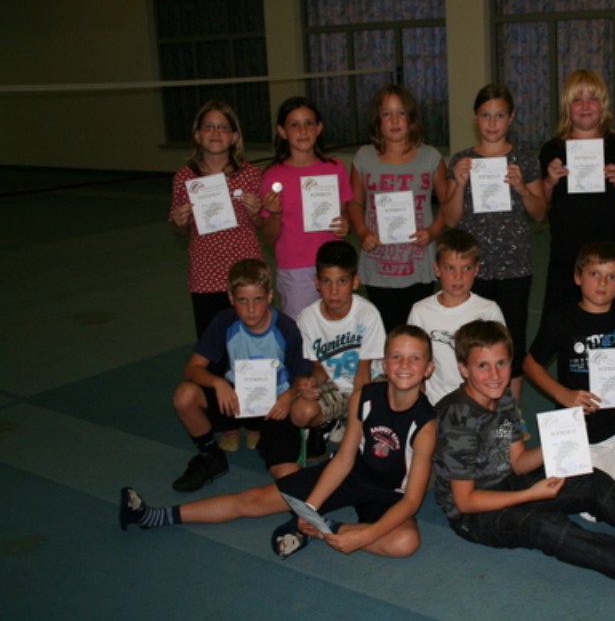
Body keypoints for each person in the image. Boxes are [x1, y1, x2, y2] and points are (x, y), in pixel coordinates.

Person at [432, 320, 615, 601]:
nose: (495, 375)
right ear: (464, 369)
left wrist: (558, 440)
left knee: (590, 480)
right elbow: (465, 502)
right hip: (474, 516)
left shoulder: (503, 397)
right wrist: (530, 494)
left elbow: (518, 461)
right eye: (482, 366)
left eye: (501, 363)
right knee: (544, 525)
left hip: (508, 483)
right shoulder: (458, 419)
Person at [121, 326, 437, 560]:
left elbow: (411, 500)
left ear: (428, 368)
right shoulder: (364, 398)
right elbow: (343, 459)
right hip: (350, 475)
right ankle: (154, 516)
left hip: (389, 494)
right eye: (396, 356)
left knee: (405, 543)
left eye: (415, 358)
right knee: (254, 500)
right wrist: (310, 508)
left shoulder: (425, 423)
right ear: (384, 362)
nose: (404, 365)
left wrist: (363, 536)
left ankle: (323, 529)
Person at [523, 242, 615, 512]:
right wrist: (563, 394)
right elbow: (530, 364)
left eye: (612, 277)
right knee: (595, 507)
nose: (602, 283)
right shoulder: (560, 319)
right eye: (594, 274)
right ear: (578, 277)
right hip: (578, 428)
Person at [168, 100, 265, 452]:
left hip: (246, 274)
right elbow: (180, 228)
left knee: (252, 349)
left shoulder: (250, 174)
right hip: (206, 275)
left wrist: (257, 211)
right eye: (208, 126)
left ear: (234, 136)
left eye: (223, 127)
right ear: (197, 134)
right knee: (216, 353)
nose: (215, 133)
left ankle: (254, 418)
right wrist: (180, 222)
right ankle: (226, 423)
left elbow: (262, 223)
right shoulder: (185, 177)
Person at [170, 259, 313, 492]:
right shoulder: (224, 322)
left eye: (258, 300)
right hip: (234, 400)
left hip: (274, 407)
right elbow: (192, 368)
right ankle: (211, 455)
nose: (250, 309)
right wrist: (218, 383)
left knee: (288, 478)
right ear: (230, 297)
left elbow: (302, 376)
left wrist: (289, 396)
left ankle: (267, 439)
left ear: (269, 296)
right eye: (242, 300)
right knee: (185, 395)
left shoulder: (286, 328)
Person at [441, 84, 546, 400]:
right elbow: (450, 219)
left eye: (499, 115)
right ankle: (476, 406)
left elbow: (540, 213)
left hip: (515, 267)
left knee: (512, 341)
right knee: (472, 342)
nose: (492, 123)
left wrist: (522, 189)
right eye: (485, 115)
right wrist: (460, 184)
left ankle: (511, 412)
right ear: (476, 117)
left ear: (510, 117)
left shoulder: (524, 159)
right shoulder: (462, 160)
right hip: (471, 270)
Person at [538, 70, 615, 315]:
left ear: (603, 104)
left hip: (610, 257)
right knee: (562, 324)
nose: (585, 106)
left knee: (611, 326)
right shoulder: (552, 149)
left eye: (592, 99)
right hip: (566, 255)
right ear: (567, 107)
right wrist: (549, 181)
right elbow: (539, 209)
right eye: (577, 99)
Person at [346, 85, 448, 334]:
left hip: (418, 263)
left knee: (416, 334)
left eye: (401, 113)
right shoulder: (364, 157)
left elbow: (448, 204)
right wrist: (362, 231)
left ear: (411, 118)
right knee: (387, 334)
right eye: (386, 114)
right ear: (377, 120)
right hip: (377, 264)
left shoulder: (430, 157)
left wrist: (433, 231)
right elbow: (354, 202)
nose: (394, 120)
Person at [287, 240, 386, 461]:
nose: (333, 291)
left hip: (369, 383)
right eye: (326, 281)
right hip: (335, 384)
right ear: (317, 282)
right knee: (300, 412)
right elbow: (318, 368)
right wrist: (310, 382)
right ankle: (330, 423)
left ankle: (349, 424)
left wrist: (354, 425)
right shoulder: (307, 318)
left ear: (355, 282)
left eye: (342, 281)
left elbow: (363, 374)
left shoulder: (367, 314)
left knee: (387, 419)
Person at [260, 97, 352, 319]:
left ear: (319, 128)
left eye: (309, 123)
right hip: (295, 271)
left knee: (337, 327)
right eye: (294, 125)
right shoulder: (273, 176)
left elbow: (345, 213)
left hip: (334, 265)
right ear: (282, 131)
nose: (303, 131)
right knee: (300, 329)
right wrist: (275, 213)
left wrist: (345, 225)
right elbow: (270, 236)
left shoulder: (335, 168)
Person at [407, 228, 505, 405]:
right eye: (449, 268)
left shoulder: (488, 310)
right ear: (437, 269)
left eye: (466, 268)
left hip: (478, 402)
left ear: (476, 270)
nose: (458, 276)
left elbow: (500, 360)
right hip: (435, 402)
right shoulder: (420, 311)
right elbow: (414, 361)